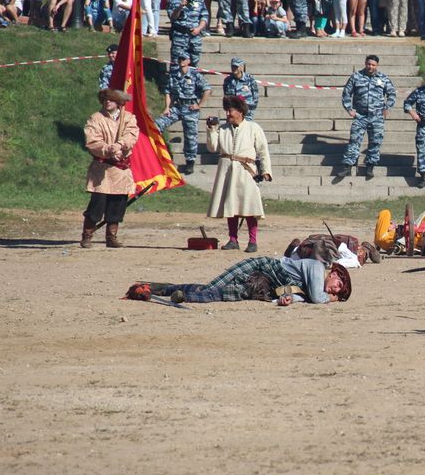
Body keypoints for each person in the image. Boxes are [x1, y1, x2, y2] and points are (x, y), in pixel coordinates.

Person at [133, 256, 352, 304]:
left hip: (262, 284)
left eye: (337, 292)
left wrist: (289, 300)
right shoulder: (317, 267)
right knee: (213, 288)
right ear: (334, 274)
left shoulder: (311, 282)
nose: (334, 290)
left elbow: (301, 296)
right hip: (257, 267)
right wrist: (331, 300)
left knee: (217, 294)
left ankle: (173, 293)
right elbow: (316, 297)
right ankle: (162, 289)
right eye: (338, 286)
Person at [206, 95, 272, 252]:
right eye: (227, 110)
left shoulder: (253, 128)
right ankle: (233, 240)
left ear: (240, 111)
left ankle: (252, 241)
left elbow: (263, 151)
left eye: (231, 110)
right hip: (227, 171)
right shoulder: (222, 129)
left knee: (250, 207)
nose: (228, 113)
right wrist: (211, 129)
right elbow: (212, 147)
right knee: (231, 206)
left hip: (246, 171)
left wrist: (266, 170)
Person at [80, 89, 139, 248]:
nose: (108, 102)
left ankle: (111, 236)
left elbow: (132, 135)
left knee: (117, 205)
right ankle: (87, 235)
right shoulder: (96, 118)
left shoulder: (128, 118)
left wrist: (120, 146)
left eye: (111, 99)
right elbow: (92, 141)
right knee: (97, 205)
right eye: (105, 99)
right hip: (102, 169)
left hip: (121, 169)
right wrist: (108, 150)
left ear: (118, 102)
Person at [336, 54, 397, 179]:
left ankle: (370, 167)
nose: (370, 67)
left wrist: (387, 108)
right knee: (354, 141)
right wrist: (349, 109)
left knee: (375, 142)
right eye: (369, 64)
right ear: (365, 63)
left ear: (377, 66)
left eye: (373, 65)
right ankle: (347, 167)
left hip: (377, 116)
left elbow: (392, 94)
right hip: (360, 116)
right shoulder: (356, 77)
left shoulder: (383, 78)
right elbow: (346, 93)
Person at [155, 53, 212, 175]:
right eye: (179, 59)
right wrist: (167, 107)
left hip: (191, 107)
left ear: (188, 61)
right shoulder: (174, 74)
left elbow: (207, 89)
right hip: (177, 106)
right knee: (157, 124)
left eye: (183, 59)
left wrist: (199, 105)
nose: (181, 61)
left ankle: (190, 162)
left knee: (190, 136)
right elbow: (168, 92)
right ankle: (156, 152)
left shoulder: (195, 74)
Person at [167, 0, 208, 66]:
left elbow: (204, 16)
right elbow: (172, 17)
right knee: (176, 65)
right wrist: (180, 7)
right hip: (179, 36)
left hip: (194, 37)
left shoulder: (199, 0)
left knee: (194, 66)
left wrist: (199, 29)